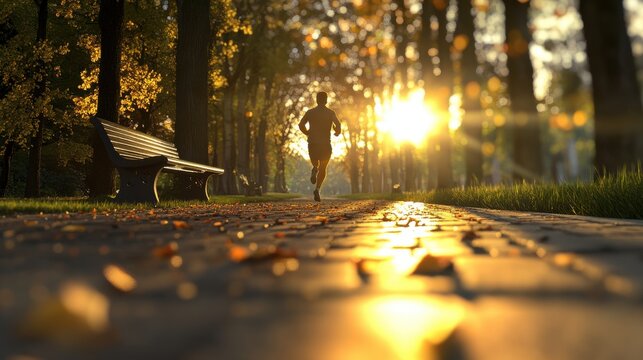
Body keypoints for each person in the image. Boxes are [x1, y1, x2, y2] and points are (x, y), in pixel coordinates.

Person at [298, 91, 341, 202]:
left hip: (313, 143)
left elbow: (301, 125)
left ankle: (314, 168)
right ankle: (317, 189)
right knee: (323, 168)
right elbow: (338, 124)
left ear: (317, 100)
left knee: (315, 162)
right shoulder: (330, 113)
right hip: (325, 144)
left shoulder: (310, 112)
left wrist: (307, 132)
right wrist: (337, 131)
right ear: (326, 100)